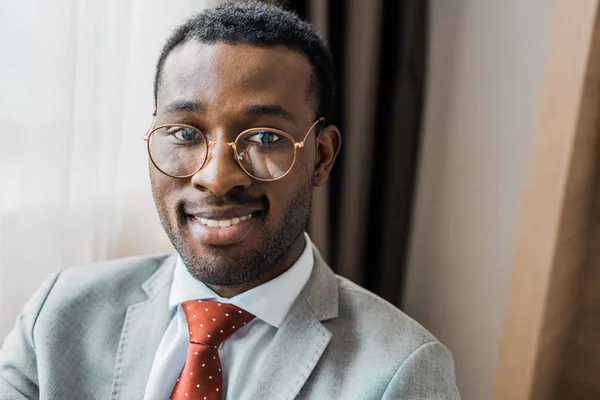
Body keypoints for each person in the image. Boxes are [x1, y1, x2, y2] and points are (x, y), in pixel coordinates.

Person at [0, 2, 460, 399]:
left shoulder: (402, 369)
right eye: (183, 133)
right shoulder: (58, 314)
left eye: (264, 136)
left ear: (320, 157)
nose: (216, 179)